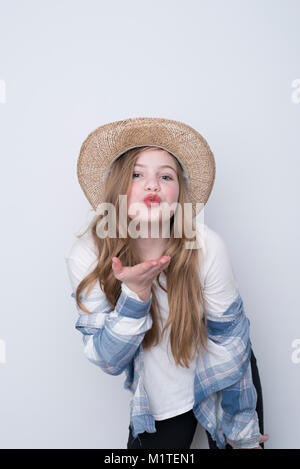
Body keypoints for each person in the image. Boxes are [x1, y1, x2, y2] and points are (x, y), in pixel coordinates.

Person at [65, 117, 269, 449]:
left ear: (178, 193)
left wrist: (242, 430)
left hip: (223, 374)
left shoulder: (207, 246)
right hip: (162, 398)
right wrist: (136, 294)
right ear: (118, 186)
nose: (152, 186)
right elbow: (108, 360)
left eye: (165, 176)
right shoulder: (88, 255)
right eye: (137, 174)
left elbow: (232, 343)